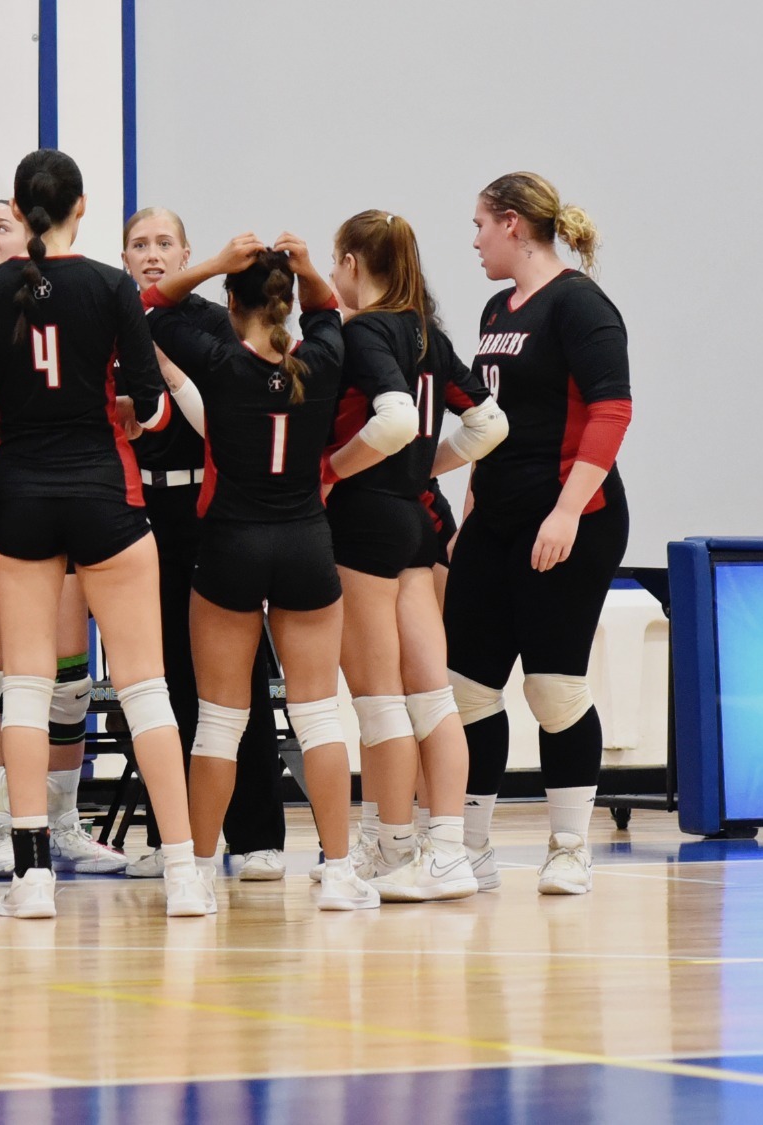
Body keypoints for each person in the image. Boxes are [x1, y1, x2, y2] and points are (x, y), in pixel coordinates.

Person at [0, 149, 212, 918]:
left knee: (24, 687)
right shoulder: (111, 284)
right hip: (106, 491)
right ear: (82, 207)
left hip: (18, 496)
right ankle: (185, 871)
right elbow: (153, 404)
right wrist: (129, 414)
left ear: (20, 211)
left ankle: (32, 874)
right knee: (146, 686)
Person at [143, 233, 379, 910]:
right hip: (306, 542)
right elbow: (329, 311)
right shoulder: (326, 357)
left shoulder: (216, 360)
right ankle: (337, 872)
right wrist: (306, 268)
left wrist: (213, 262)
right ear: (287, 302)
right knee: (318, 719)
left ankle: (190, 876)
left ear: (231, 302)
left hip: (231, 547)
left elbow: (150, 308)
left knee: (219, 721)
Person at [447, 172, 631, 896]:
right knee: (467, 688)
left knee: (552, 689)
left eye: (481, 225)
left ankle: (567, 846)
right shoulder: (498, 306)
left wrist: (564, 511)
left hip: (571, 520)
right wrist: (467, 517)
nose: (475, 240)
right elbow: (483, 425)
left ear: (515, 224)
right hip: (493, 521)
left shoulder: (582, 305)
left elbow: (612, 413)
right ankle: (471, 847)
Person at [0, 200, 127, 879]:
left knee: (69, 682)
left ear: (32, 237)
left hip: (59, 492)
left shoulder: (73, 303)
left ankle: (63, 820)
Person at [322, 210, 507, 901]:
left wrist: (333, 470)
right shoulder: (430, 334)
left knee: (379, 702)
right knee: (432, 696)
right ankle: (448, 851)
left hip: (365, 523)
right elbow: (490, 422)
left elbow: (394, 418)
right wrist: (430, 463)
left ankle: (393, 849)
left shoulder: (367, 329)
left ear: (351, 261)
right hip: (413, 523)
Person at [118, 207, 289, 882]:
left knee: (235, 674)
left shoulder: (214, 325)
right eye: (139, 244)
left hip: (209, 506)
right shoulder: (118, 323)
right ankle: (176, 837)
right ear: (124, 256)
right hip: (142, 511)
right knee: (158, 678)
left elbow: (227, 426)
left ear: (188, 252)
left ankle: (257, 835)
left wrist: (170, 368)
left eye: (164, 243)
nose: (153, 254)